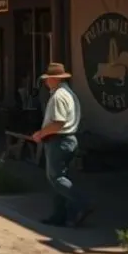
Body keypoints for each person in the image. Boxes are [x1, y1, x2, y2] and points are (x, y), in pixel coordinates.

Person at [32, 63, 92, 228]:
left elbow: (58, 122)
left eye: (47, 79)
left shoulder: (59, 96)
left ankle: (82, 203)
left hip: (59, 139)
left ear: (54, 79)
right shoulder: (69, 94)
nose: (46, 82)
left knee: (57, 178)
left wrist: (41, 134)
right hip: (68, 139)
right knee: (59, 179)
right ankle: (62, 215)